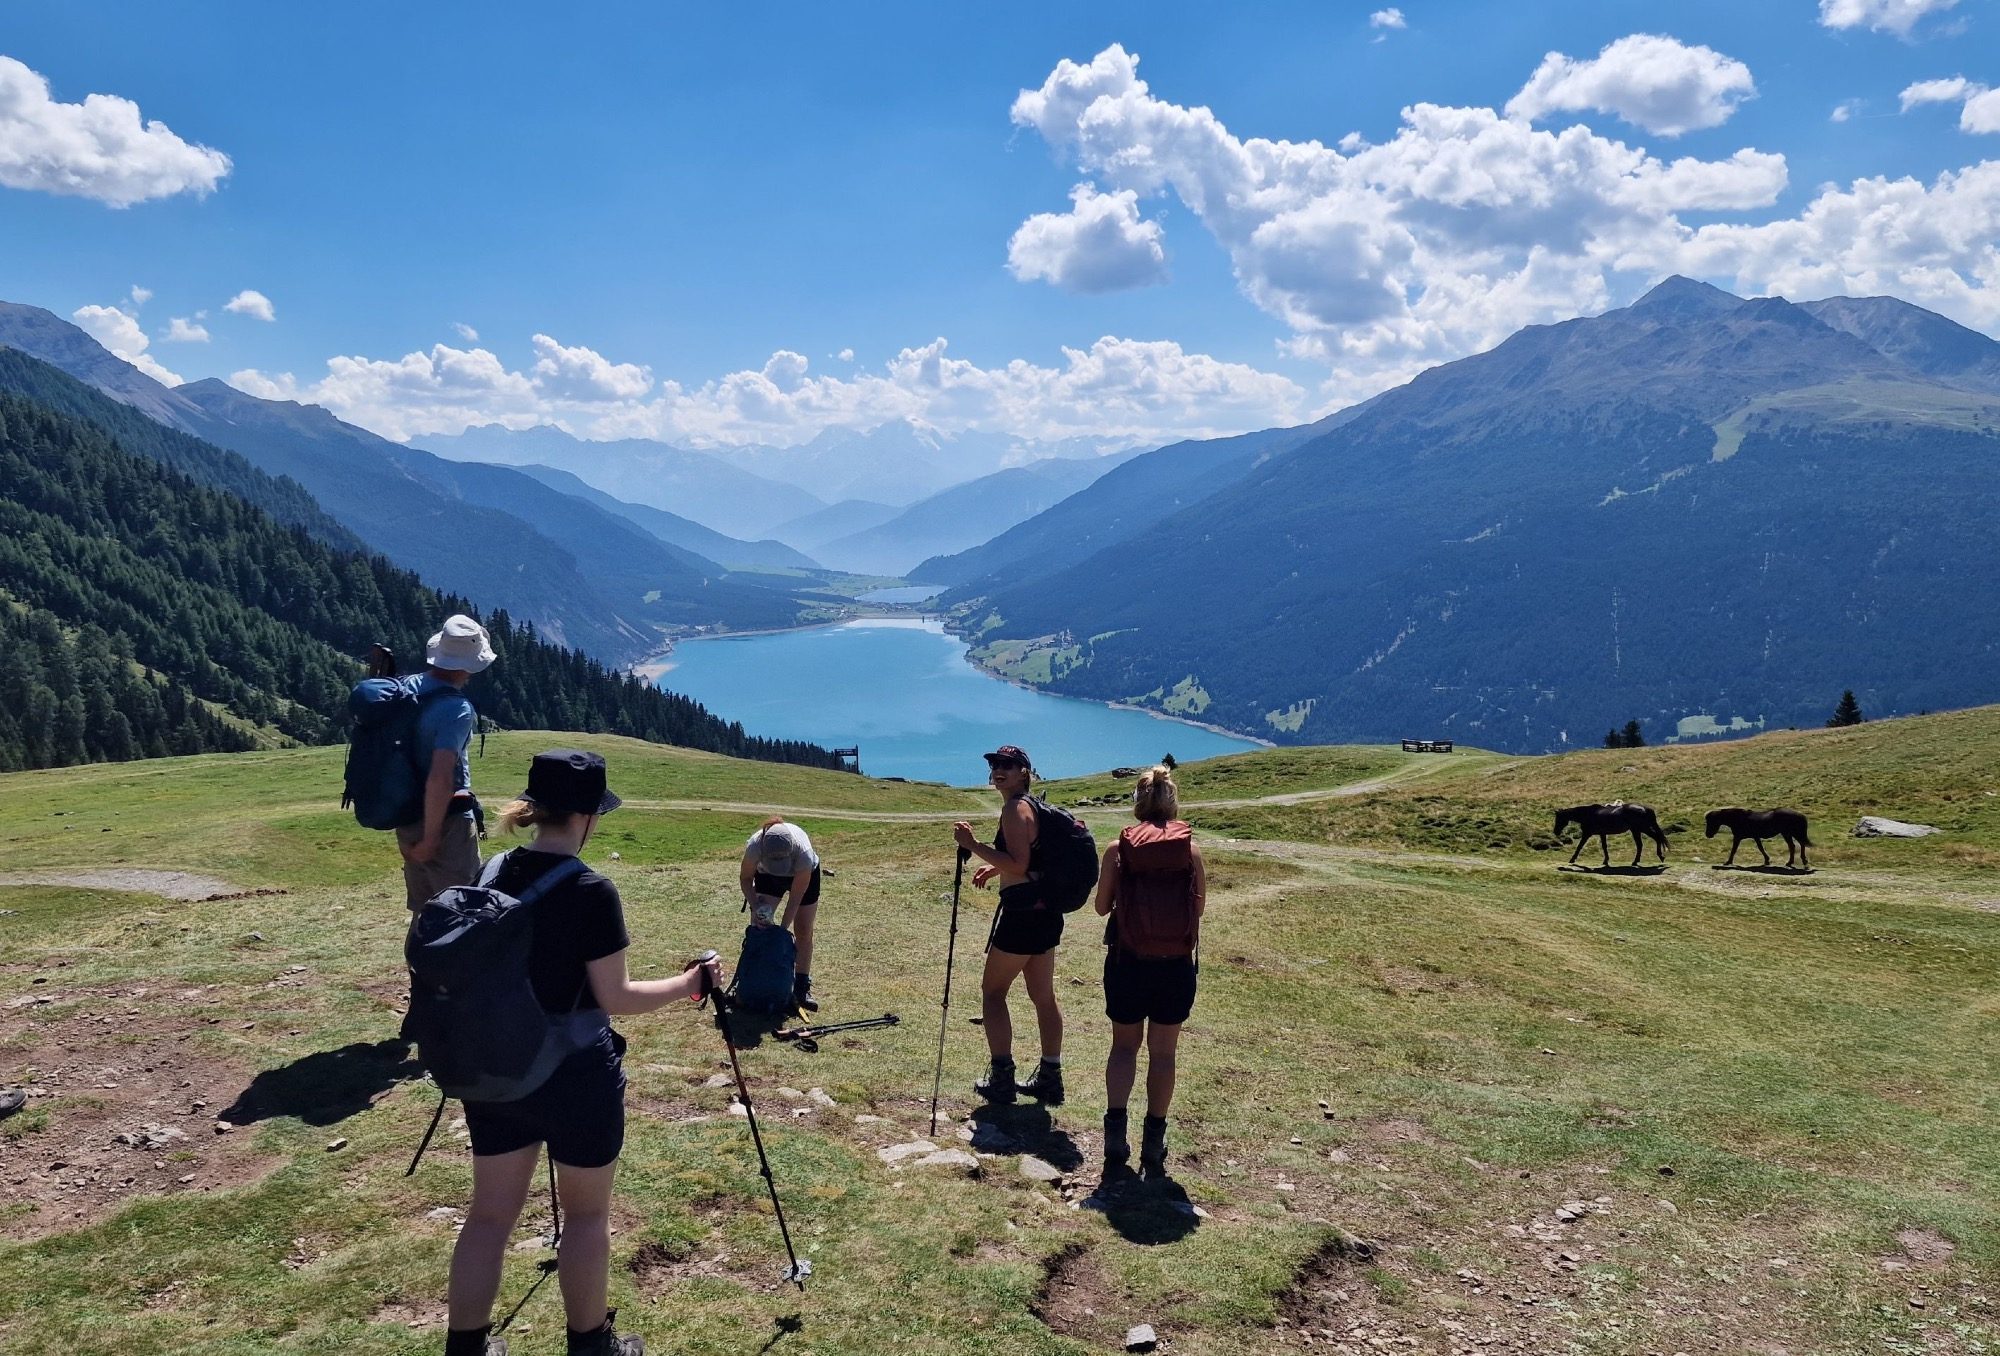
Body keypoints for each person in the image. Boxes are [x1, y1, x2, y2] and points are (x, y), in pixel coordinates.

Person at [443, 749, 721, 1356]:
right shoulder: (591, 890)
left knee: (489, 1215)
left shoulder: (489, 873)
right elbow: (615, 997)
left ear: (535, 808)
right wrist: (691, 983)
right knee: (587, 1217)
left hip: (493, 1069)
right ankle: (590, 1344)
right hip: (575, 1076)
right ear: (591, 814)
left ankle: (465, 1348)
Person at [1094, 763, 1205, 1180]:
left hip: (1128, 963)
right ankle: (1154, 1145)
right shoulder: (1190, 850)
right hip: (1174, 966)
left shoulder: (1116, 848)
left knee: (1124, 1048)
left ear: (1138, 802)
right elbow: (1199, 907)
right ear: (1172, 801)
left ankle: (1113, 1139)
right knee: (1164, 1053)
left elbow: (1102, 907)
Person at [952, 745, 1064, 1107]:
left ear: (1023, 772)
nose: (999, 769)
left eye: (1008, 765)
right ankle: (1051, 1076)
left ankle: (1002, 1078)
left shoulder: (1015, 809)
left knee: (993, 992)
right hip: (1046, 913)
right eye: (994, 764)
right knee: (1043, 997)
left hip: (1022, 916)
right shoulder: (1034, 807)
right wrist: (996, 866)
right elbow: (1032, 861)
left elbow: (1019, 863)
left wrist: (973, 846)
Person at [397, 614, 494, 912]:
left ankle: (418, 959)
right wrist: (431, 838)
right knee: (461, 910)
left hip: (403, 813)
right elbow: (441, 777)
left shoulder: (405, 688)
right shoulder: (457, 709)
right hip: (445, 823)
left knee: (424, 909)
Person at [739, 816, 823, 1013]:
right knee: (759, 926)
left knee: (803, 929)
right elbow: (745, 879)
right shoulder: (754, 847)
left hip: (803, 877)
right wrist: (755, 906)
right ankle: (754, 983)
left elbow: (795, 899)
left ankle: (801, 988)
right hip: (767, 878)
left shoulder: (804, 855)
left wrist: (781, 933)